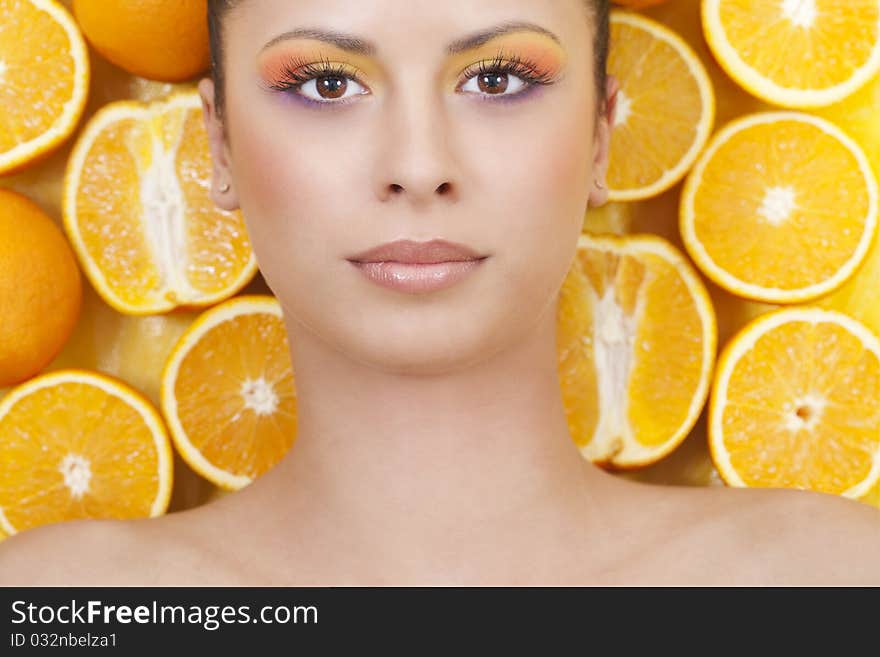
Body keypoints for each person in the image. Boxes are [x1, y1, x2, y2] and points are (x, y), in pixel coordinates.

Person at [2, 0, 880, 586]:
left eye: (497, 80)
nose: (418, 168)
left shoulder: (832, 582)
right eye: (327, 83)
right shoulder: (62, 609)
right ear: (219, 148)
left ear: (603, 140)